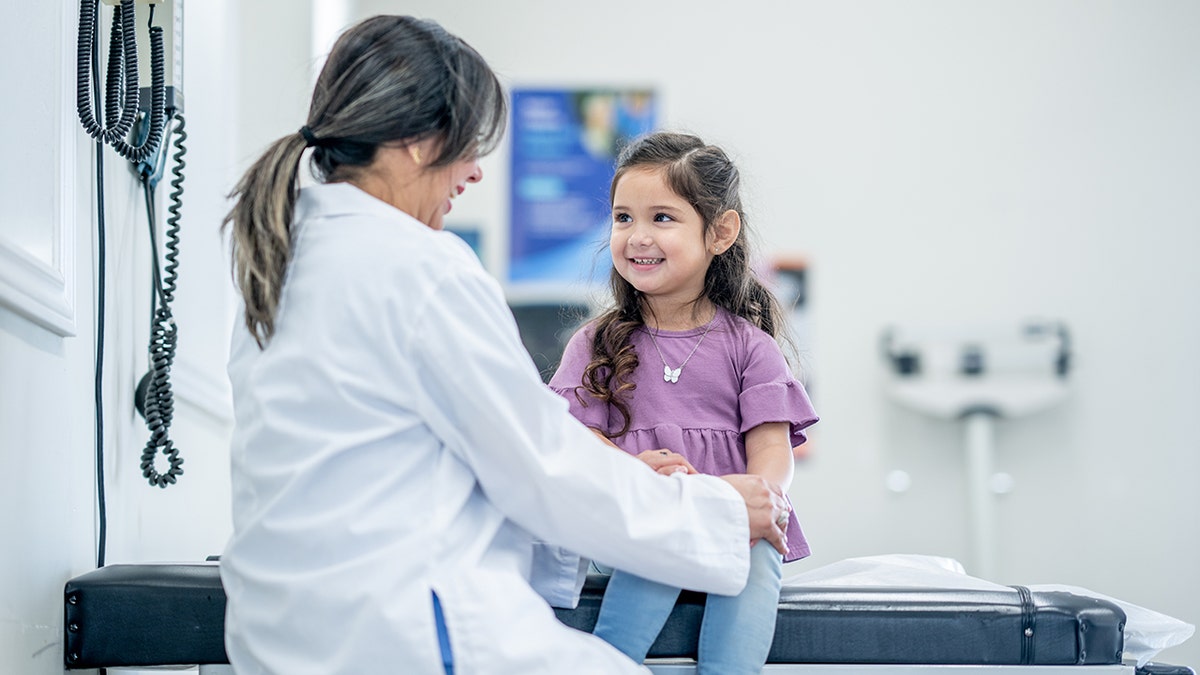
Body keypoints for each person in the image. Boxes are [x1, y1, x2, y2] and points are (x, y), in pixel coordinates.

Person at [218, 16, 792, 675]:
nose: (474, 172)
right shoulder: (419, 268)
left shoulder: (283, 266)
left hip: (288, 636)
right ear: (415, 141)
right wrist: (713, 508)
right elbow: (546, 469)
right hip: (400, 633)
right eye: (469, 146)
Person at [549, 131, 819, 674]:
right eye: (623, 218)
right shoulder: (597, 344)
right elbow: (572, 437)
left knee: (760, 545)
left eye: (662, 218)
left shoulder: (750, 346)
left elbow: (772, 452)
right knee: (667, 526)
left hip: (731, 522)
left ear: (720, 232)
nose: (637, 236)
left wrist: (752, 499)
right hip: (638, 518)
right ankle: (609, 664)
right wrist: (634, 472)